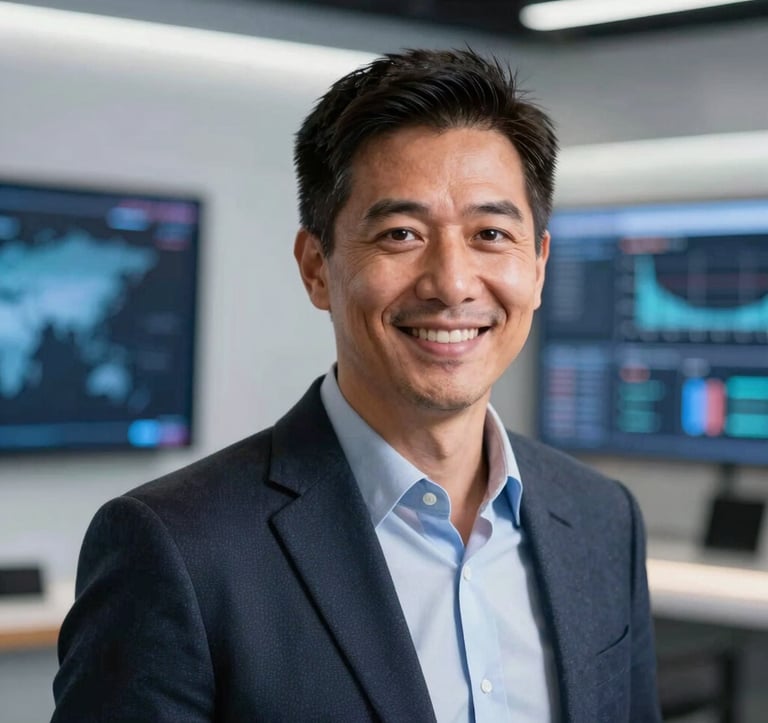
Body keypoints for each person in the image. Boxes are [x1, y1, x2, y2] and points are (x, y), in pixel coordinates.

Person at [52, 48, 660, 722]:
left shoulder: (604, 519)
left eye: (491, 233)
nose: (453, 283)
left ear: (539, 267)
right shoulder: (174, 548)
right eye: (401, 234)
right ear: (316, 266)